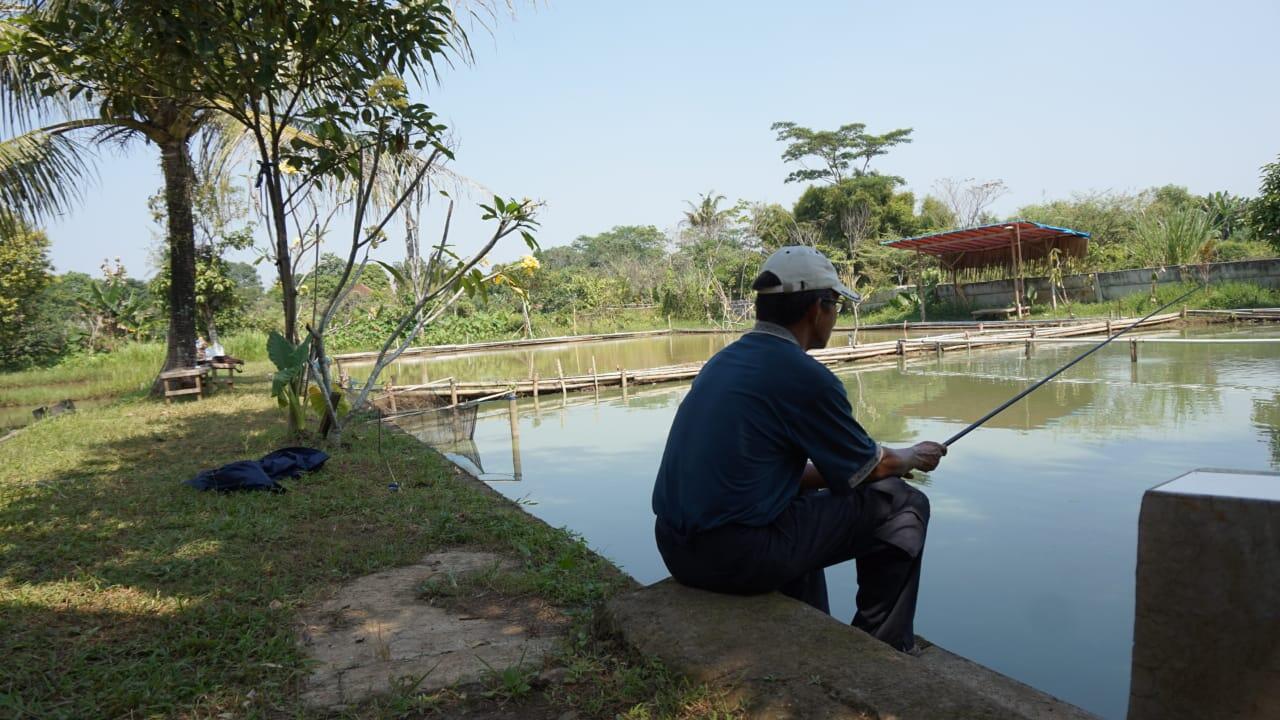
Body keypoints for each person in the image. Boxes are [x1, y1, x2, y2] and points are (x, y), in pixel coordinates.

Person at [651, 246, 947, 654]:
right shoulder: (805, 376)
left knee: (803, 503)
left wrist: (876, 467)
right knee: (904, 504)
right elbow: (868, 467)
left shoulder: (724, 362)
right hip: (734, 557)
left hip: (676, 548)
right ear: (816, 309)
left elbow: (797, 475)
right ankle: (884, 646)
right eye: (836, 305)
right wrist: (910, 457)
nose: (835, 316)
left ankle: (813, 630)